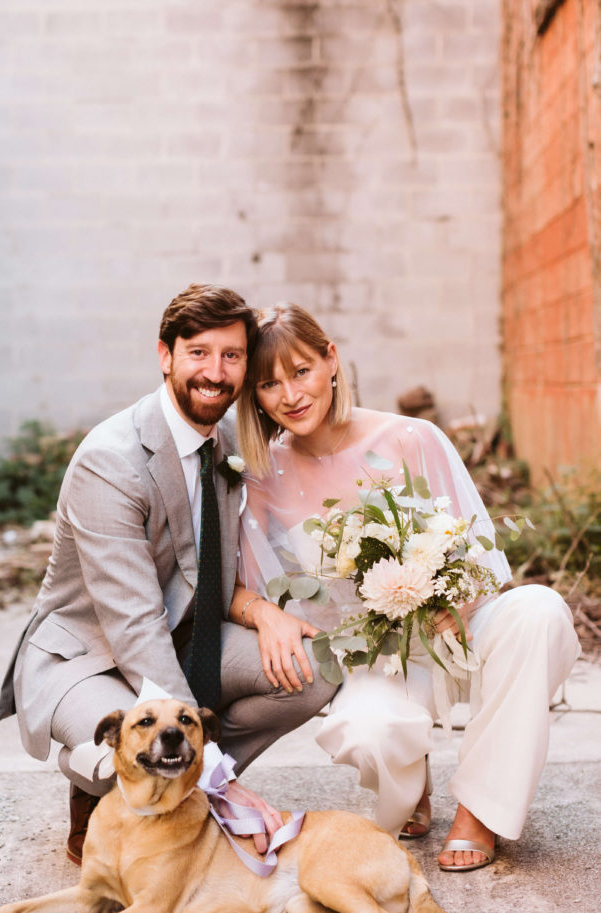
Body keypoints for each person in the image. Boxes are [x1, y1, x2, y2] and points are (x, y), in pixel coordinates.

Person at [235, 302, 581, 872]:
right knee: (365, 731)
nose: (290, 395)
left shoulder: (412, 438)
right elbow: (251, 584)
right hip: (374, 655)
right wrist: (265, 615)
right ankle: (406, 779)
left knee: (539, 610)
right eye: (269, 384)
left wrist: (455, 597)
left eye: (301, 372)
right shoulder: (263, 476)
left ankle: (480, 810)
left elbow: (485, 557)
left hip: (457, 628)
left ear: (331, 361)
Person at [0, 285, 335, 864]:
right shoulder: (111, 460)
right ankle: (98, 787)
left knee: (314, 672)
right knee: (141, 744)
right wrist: (224, 785)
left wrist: (266, 614)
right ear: (165, 356)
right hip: (88, 655)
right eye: (198, 352)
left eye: (231, 356)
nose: (215, 371)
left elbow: (212, 567)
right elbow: (132, 626)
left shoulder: (229, 441)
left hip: (184, 638)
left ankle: (187, 784)